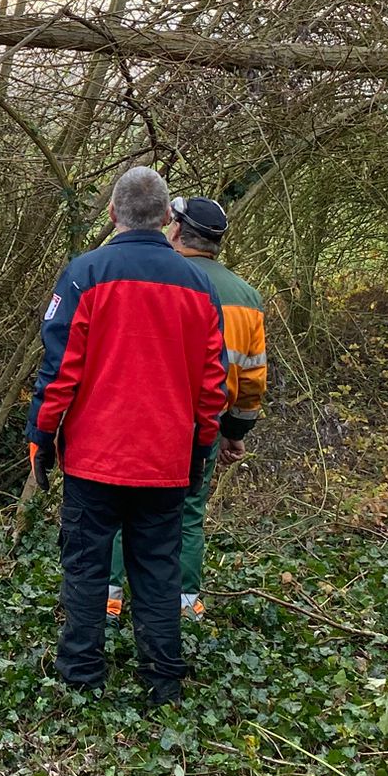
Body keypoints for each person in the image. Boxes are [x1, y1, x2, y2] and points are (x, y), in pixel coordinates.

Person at [27, 167, 227, 704]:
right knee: (157, 568)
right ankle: (162, 679)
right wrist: (201, 446)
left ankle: (82, 675)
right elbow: (214, 385)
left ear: (113, 214)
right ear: (167, 219)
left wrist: (39, 438)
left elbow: (59, 369)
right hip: (165, 458)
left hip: (95, 459)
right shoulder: (197, 285)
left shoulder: (85, 274)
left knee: (88, 565)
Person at [107, 195, 267, 623]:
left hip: (150, 417)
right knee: (190, 511)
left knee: (124, 505)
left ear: (174, 229)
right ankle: (183, 600)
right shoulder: (248, 298)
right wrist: (236, 431)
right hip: (207, 424)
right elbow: (251, 379)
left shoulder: (157, 277)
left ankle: (110, 595)